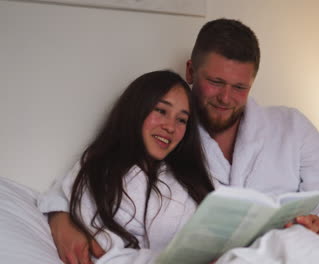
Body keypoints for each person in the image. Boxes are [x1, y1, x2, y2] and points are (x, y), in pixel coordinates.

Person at [39, 18, 319, 263]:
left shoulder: (291, 125)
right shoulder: (173, 137)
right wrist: (61, 221)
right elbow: (84, 178)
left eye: (240, 87)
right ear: (191, 71)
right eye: (216, 82)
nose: (226, 98)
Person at [38, 70, 216, 263]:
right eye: (161, 111)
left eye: (181, 120)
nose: (171, 127)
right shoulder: (101, 171)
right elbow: (103, 252)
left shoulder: (190, 177)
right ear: (137, 109)